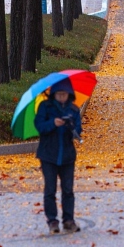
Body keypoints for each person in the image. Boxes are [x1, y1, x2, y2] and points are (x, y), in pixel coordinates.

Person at [34, 80, 83, 234]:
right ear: (54, 94)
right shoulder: (45, 107)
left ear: (69, 94)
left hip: (67, 156)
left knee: (68, 190)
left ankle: (69, 220)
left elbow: (78, 130)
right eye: (59, 94)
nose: (62, 97)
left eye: (64, 94)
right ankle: (52, 220)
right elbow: (39, 126)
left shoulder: (74, 109)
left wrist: (71, 127)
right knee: (50, 189)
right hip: (48, 154)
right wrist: (52, 123)